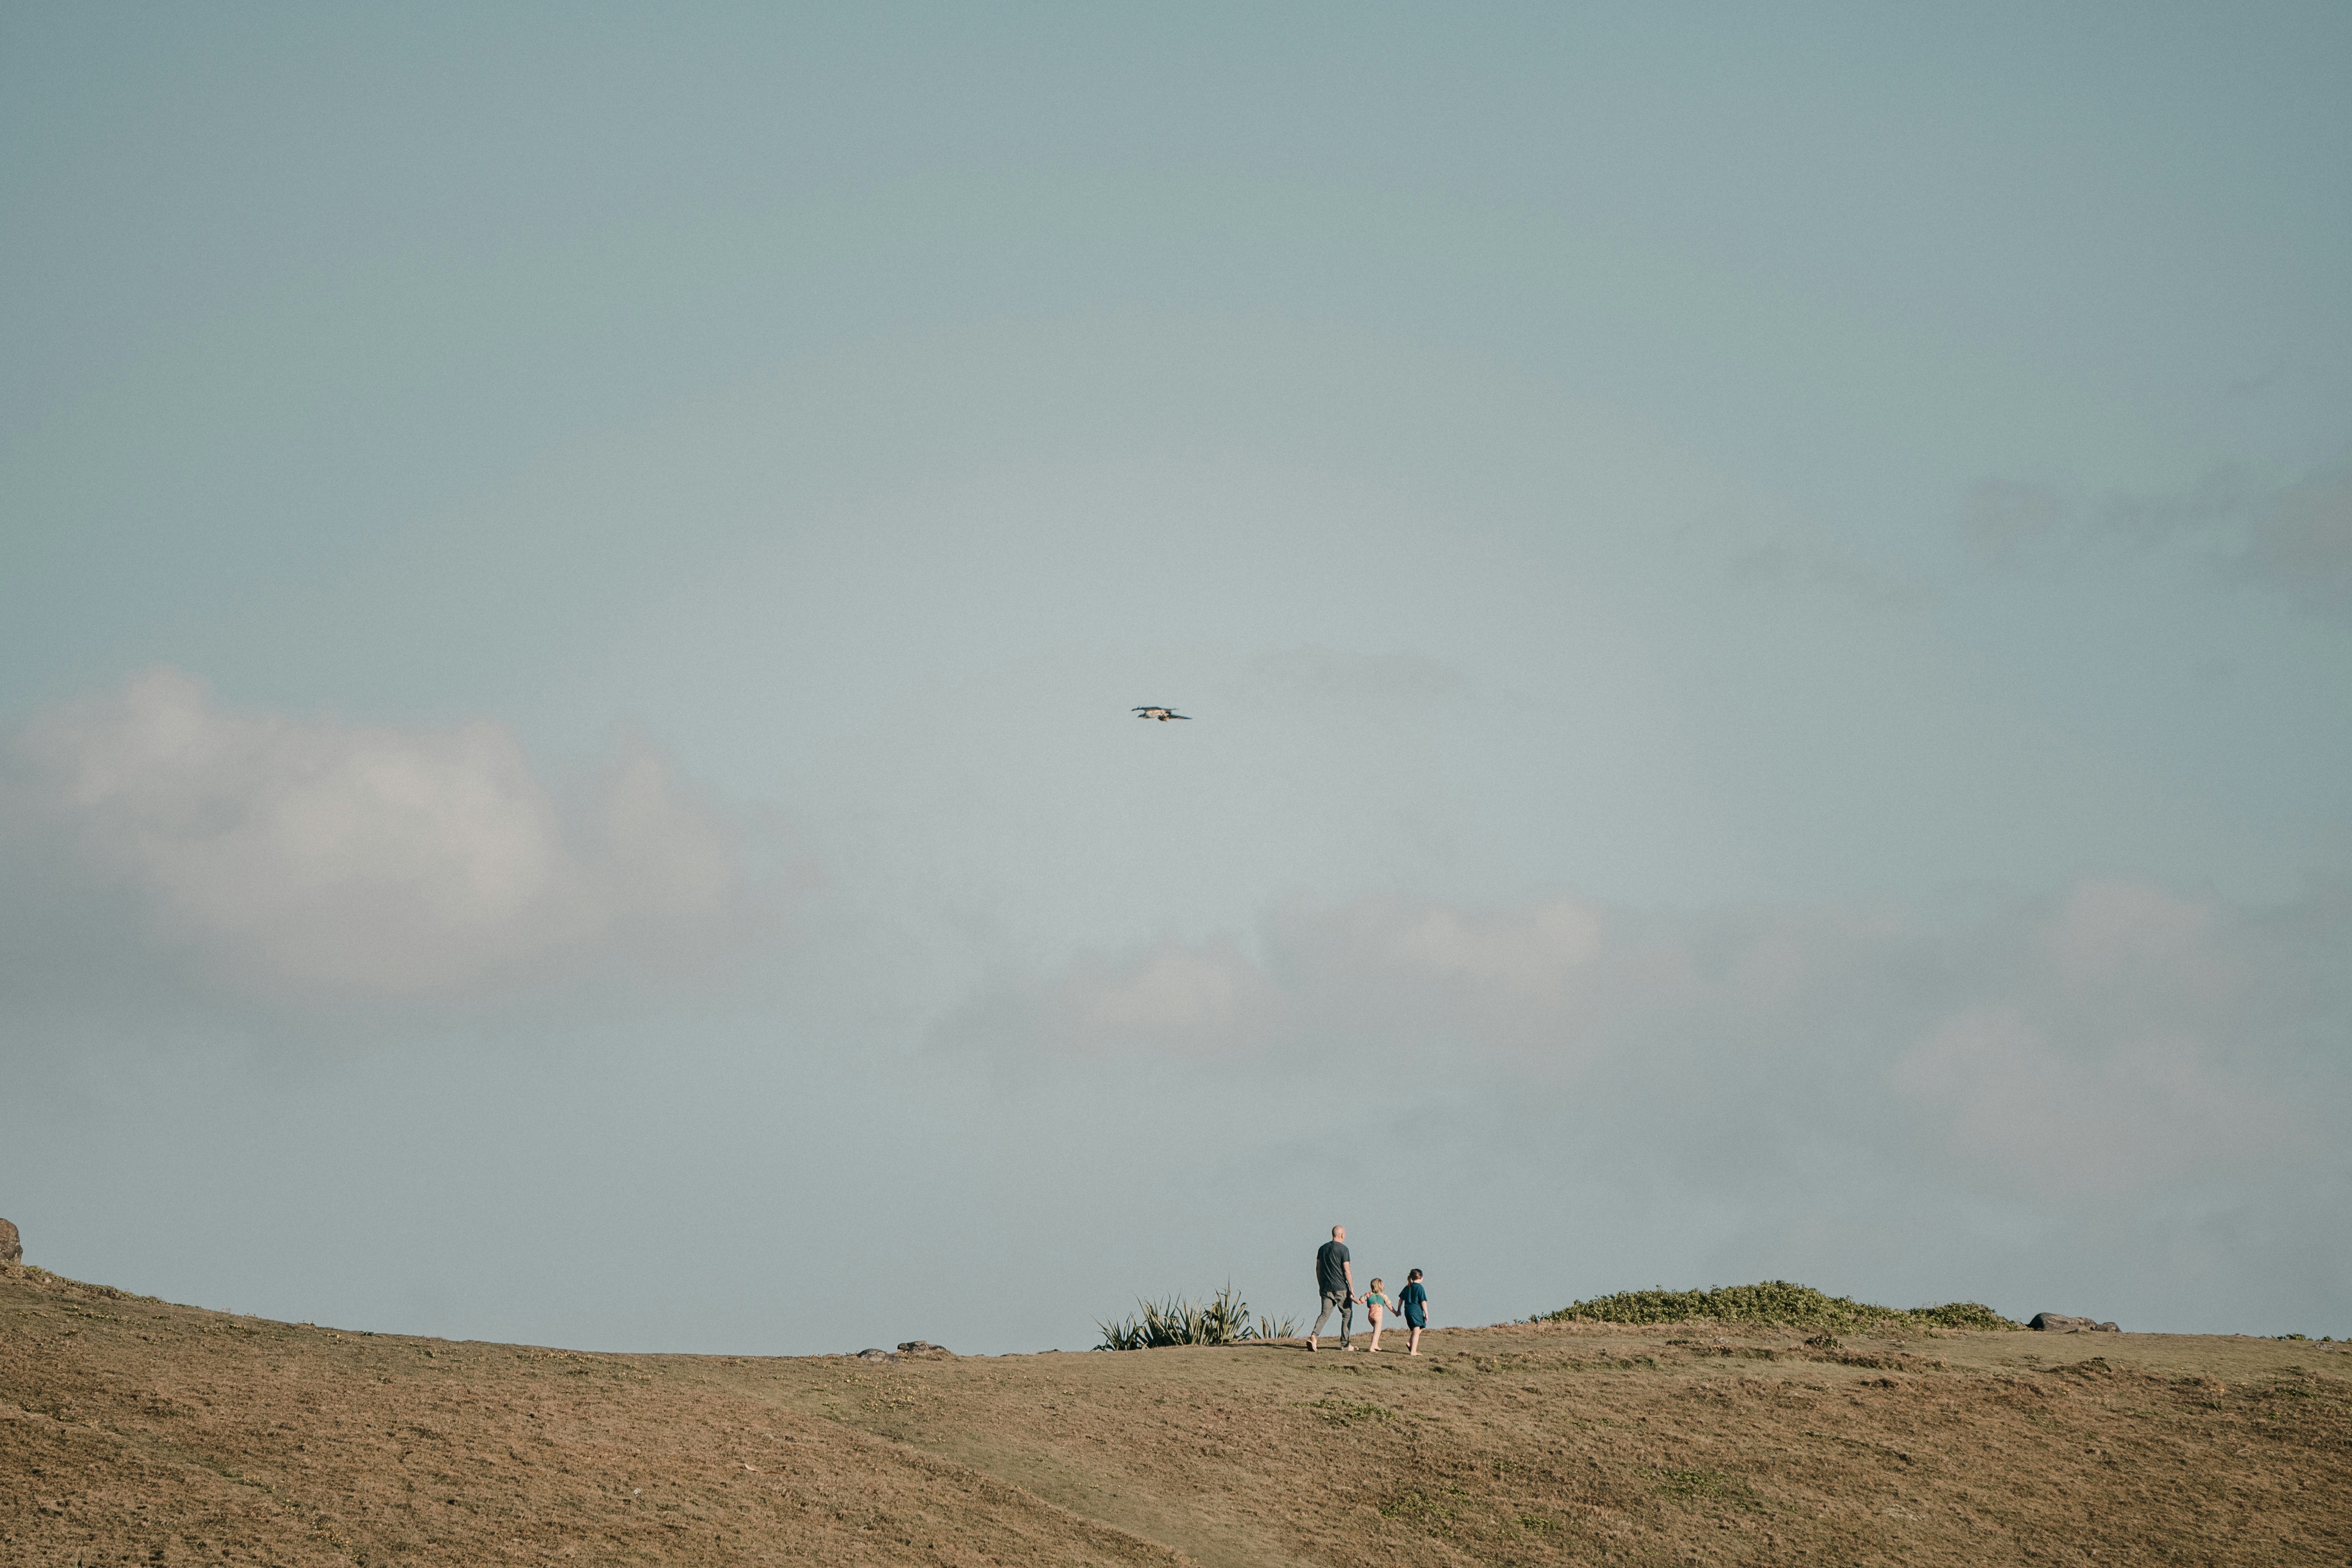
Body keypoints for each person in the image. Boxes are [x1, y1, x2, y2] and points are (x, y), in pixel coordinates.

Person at [1308, 1225, 1355, 1350]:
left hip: (1325, 1288)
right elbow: (1347, 1269)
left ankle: (1314, 1336)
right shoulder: (1344, 1249)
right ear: (1343, 1235)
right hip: (1341, 1288)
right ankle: (1345, 1345)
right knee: (1347, 1314)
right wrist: (1352, 1288)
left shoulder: (1322, 1249)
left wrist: (1320, 1286)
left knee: (1324, 1314)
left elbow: (1318, 1268)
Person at [1398, 1268, 1430, 1356]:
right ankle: (1413, 1352)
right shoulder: (1420, 1288)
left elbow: (1401, 1300)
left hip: (1408, 1311)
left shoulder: (1408, 1287)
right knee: (1416, 1330)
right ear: (1421, 1277)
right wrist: (1426, 1314)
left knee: (1422, 1327)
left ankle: (1410, 1343)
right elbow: (1423, 1302)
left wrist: (1399, 1310)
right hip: (1416, 1312)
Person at [1362, 1278, 1394, 1352]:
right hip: (1378, 1316)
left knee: (1378, 1330)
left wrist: (1353, 1298)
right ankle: (1372, 1348)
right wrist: (1396, 1312)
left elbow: (1360, 1301)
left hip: (1370, 1316)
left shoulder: (1369, 1295)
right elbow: (1390, 1306)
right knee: (1377, 1331)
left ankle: (1376, 1345)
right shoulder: (1383, 1296)